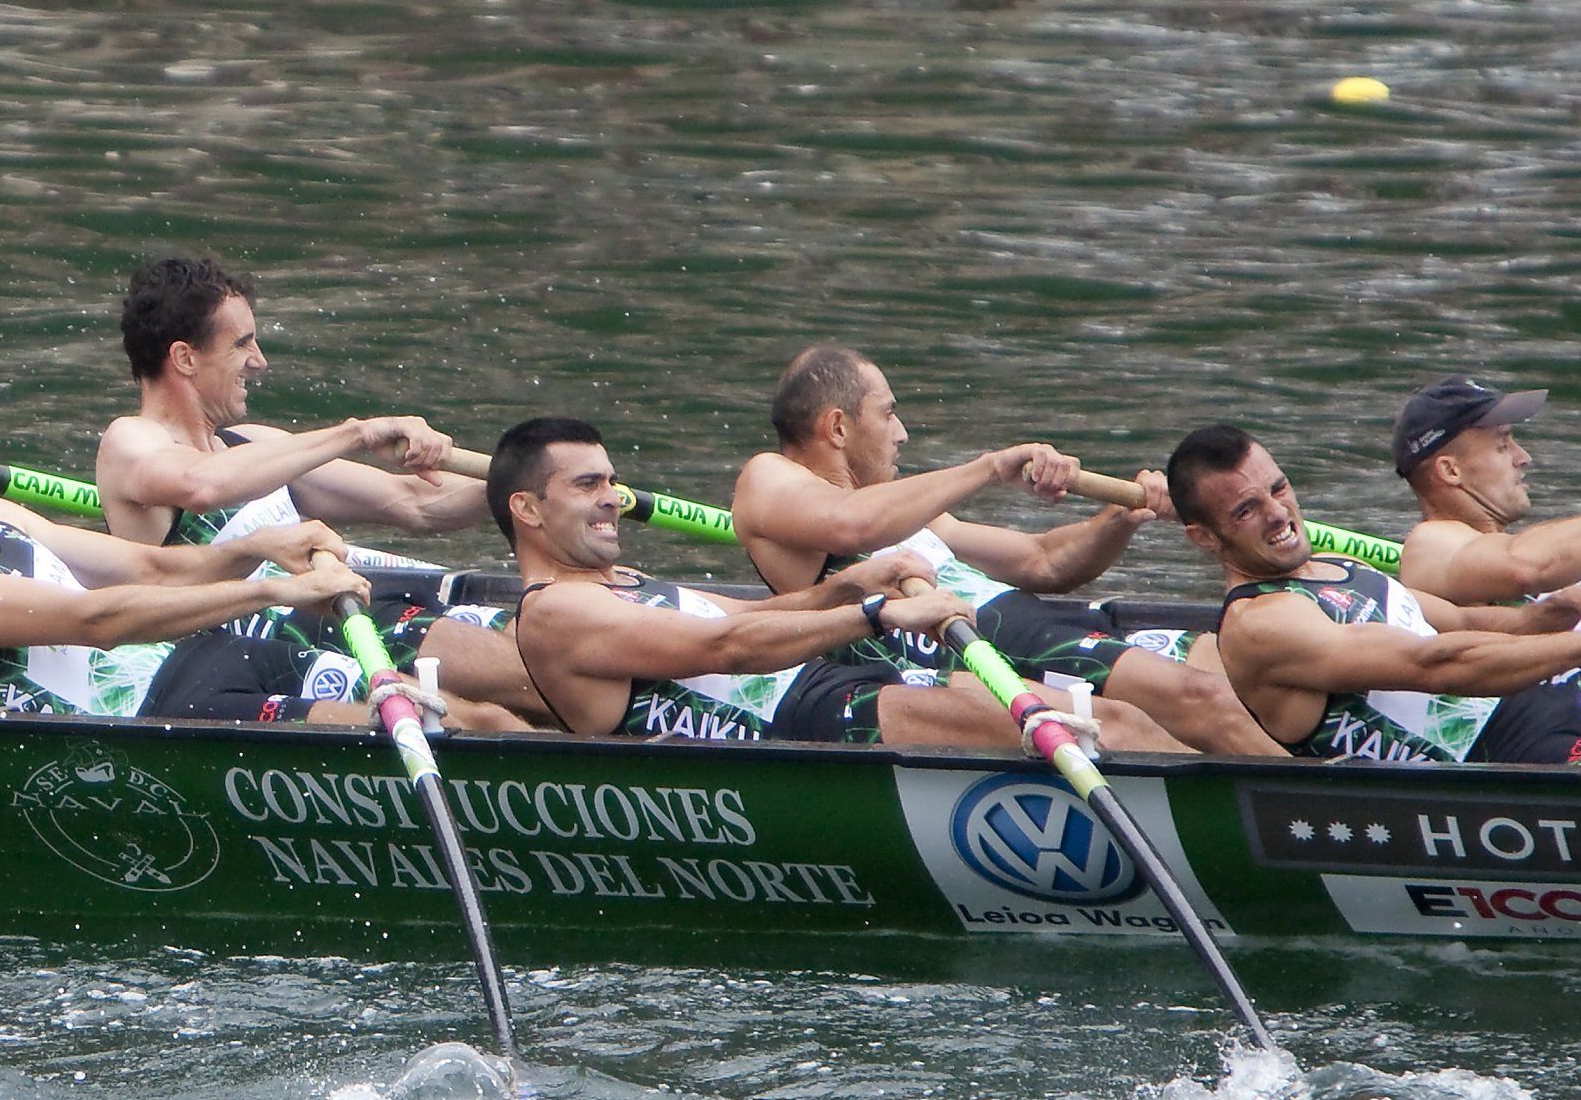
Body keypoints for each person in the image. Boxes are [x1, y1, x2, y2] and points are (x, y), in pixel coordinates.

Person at [0, 351, 523, 728]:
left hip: (208, 661)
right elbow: (99, 619)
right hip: (159, 722)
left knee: (478, 717)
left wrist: (257, 547)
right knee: (446, 727)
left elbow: (150, 567)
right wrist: (274, 588)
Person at [495, 416, 1187, 749]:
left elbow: (753, 615)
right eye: (589, 485)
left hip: (823, 692)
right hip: (795, 729)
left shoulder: (622, 581)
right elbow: (725, 649)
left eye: (613, 482)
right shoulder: (554, 612)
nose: (613, 498)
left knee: (1113, 719)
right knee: (1085, 728)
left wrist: (845, 586)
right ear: (526, 508)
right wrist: (876, 615)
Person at [729, 345, 1279, 755]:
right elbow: (851, 528)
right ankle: (1301, 805)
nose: (902, 434)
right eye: (889, 412)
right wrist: (990, 467)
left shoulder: (902, 504)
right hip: (950, 649)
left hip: (1016, 624)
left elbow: (1045, 562)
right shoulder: (770, 478)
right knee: (1177, 705)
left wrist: (1120, 517)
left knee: (1215, 680)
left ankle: (1300, 774)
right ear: (838, 427)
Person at [93, 256, 542, 717]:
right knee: (500, 710)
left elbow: (419, 505)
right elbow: (199, 485)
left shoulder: (254, 445)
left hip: (325, 615)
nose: (259, 362)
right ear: (185, 357)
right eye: (242, 344)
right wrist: (356, 434)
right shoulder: (130, 439)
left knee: (538, 646)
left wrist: (533, 483)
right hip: (223, 660)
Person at [1167, 423, 1581, 764]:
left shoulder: (1341, 567)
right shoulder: (1262, 623)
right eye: (1248, 510)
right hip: (1486, 767)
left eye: (1279, 488)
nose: (1278, 513)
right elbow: (1434, 665)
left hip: (1533, 704)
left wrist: (1567, 605)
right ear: (1205, 537)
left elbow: (1474, 625)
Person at [1394, 375, 1581, 609]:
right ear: (1450, 470)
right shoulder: (1431, 543)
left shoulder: (1552, 553)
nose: (1524, 458)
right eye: (1502, 446)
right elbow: (1526, 568)